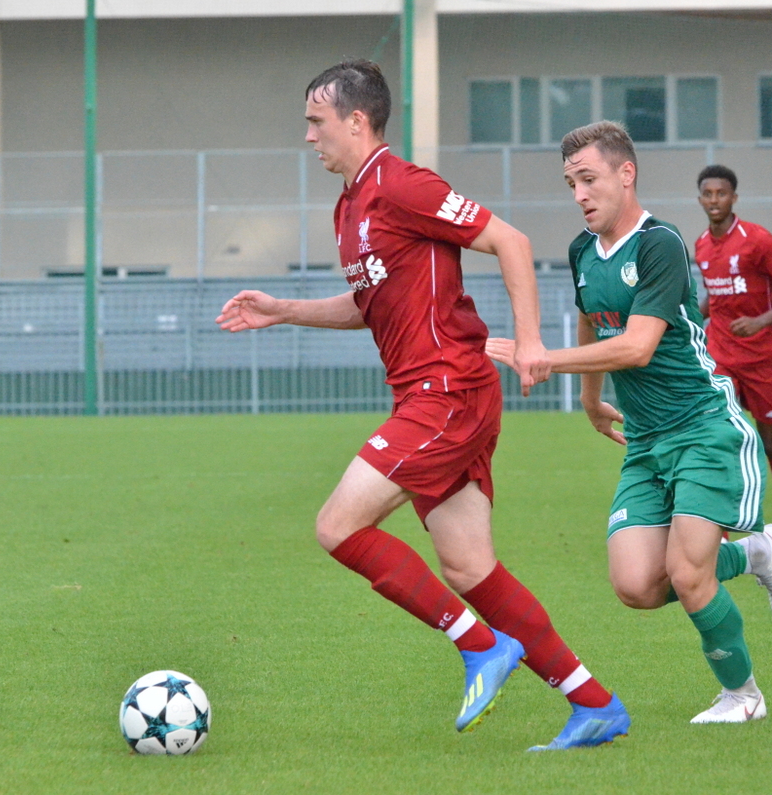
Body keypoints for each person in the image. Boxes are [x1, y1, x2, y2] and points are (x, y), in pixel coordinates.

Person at [215, 60, 628, 751]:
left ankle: (478, 646)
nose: (308, 137)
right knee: (469, 569)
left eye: (316, 123)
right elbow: (368, 305)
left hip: (448, 389)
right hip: (432, 393)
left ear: (356, 121)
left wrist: (530, 341)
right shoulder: (349, 206)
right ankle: (594, 703)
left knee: (337, 526)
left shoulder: (401, 184)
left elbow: (511, 240)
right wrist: (281, 309)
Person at [486, 122, 772, 724]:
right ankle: (757, 553)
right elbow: (591, 319)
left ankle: (743, 695)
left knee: (686, 573)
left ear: (625, 174)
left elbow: (636, 346)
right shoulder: (583, 250)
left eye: (589, 179)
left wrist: (542, 357)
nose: (579, 194)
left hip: (703, 425)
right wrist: (588, 399)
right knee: (636, 585)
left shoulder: (661, 244)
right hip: (647, 440)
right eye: (571, 183)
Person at [695, 165, 772, 549]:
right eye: (708, 193)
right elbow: (716, 296)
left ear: (734, 198)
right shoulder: (700, 245)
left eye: (721, 193)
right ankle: (724, 524)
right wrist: (689, 318)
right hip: (720, 356)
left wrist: (762, 320)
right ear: (700, 199)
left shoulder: (757, 239)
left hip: (762, 358)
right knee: (722, 438)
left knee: (770, 441)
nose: (715, 200)